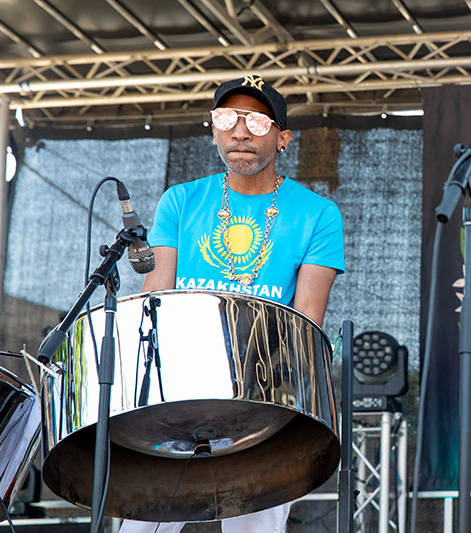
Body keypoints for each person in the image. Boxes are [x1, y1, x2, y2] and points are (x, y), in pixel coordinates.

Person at [120, 75, 345, 532]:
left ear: (282, 138)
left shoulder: (317, 214)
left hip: (265, 394)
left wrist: (261, 397)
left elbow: (305, 324)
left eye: (257, 122)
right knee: (143, 525)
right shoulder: (180, 201)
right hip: (176, 391)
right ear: (214, 129)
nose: (240, 132)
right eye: (228, 119)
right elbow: (156, 298)